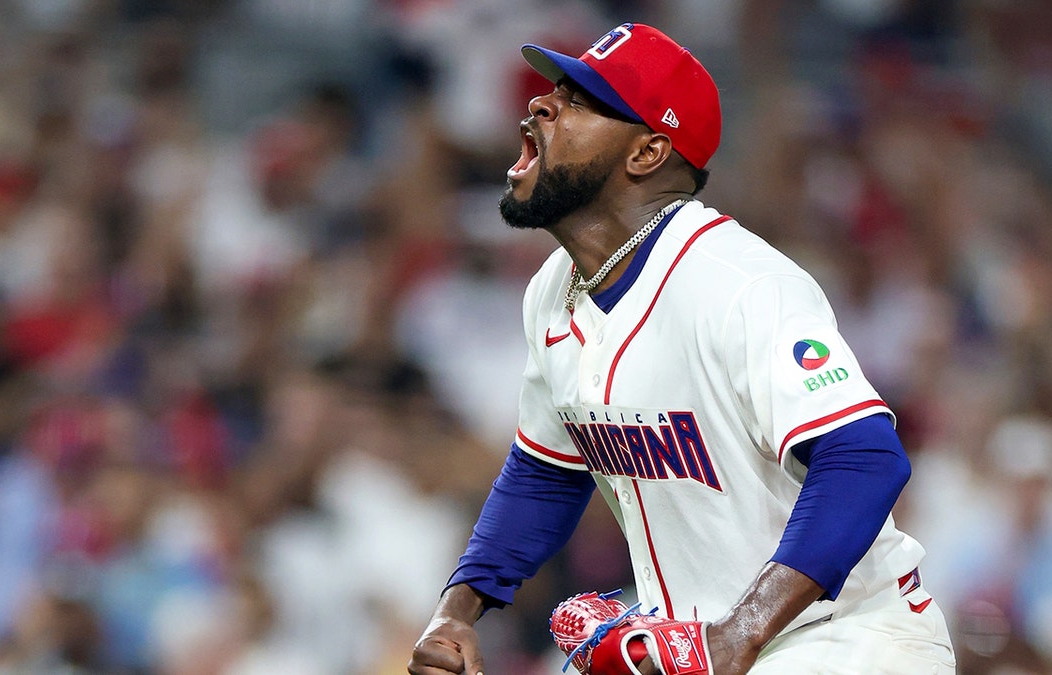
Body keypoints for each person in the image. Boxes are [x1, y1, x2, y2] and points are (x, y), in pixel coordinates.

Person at [407, 22, 955, 675]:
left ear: (645, 154)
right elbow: (544, 473)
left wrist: (740, 634)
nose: (542, 104)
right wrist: (457, 613)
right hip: (709, 640)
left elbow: (864, 457)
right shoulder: (551, 291)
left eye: (580, 100)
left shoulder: (740, 283)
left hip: (849, 637)